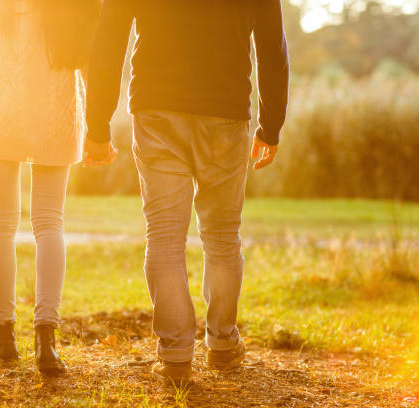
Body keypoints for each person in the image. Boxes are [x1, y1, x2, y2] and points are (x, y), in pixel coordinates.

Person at [85, 0, 289, 384]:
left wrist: (97, 123)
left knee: (163, 236)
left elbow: (109, 37)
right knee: (223, 234)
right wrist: (271, 124)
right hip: (225, 112)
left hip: (157, 109)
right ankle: (223, 343)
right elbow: (271, 45)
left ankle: (176, 354)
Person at [0, 0, 102, 375]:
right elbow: (89, 59)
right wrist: (99, 127)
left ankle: (4, 337)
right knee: (50, 223)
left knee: (1, 224)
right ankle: (46, 341)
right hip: (57, 114)